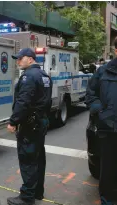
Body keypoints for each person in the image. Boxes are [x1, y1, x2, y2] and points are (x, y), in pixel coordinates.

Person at [6, 48, 52, 205]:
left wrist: (13, 121)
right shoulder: (44, 75)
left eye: (20, 58)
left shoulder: (29, 76)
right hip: (40, 122)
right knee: (38, 158)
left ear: (31, 59)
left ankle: (26, 197)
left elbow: (23, 102)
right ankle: (38, 191)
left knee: (28, 160)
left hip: (30, 125)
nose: (18, 61)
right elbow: (47, 101)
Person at [85, 37, 117, 205]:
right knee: (108, 172)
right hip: (109, 131)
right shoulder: (103, 72)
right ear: (116, 51)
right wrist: (102, 113)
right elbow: (90, 95)